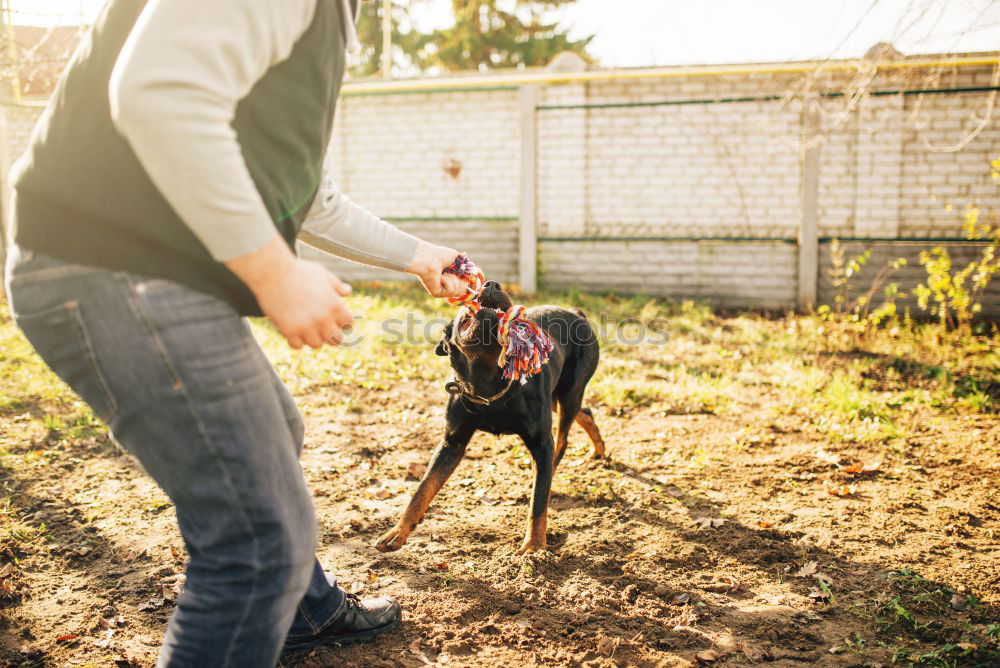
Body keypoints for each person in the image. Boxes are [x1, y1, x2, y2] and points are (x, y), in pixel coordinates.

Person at [4, 1, 468, 665]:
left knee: (279, 432)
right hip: (110, 267)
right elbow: (158, 91)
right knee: (256, 546)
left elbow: (306, 196)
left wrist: (420, 257)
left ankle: (305, 610)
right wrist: (275, 272)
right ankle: (284, 596)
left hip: (128, 266)